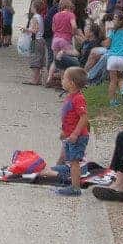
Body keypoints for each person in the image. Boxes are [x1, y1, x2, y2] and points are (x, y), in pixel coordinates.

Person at [55, 67, 90, 196]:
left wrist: (75, 133)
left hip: (78, 136)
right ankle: (71, 182)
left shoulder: (78, 98)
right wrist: (65, 132)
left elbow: (84, 117)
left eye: (64, 78)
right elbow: (69, 118)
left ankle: (75, 188)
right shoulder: (70, 97)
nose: (62, 80)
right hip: (70, 135)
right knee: (70, 160)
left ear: (72, 83)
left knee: (75, 162)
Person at [23, 0, 46, 85]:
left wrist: (25, 29)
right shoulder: (40, 17)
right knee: (39, 58)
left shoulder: (34, 18)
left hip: (35, 40)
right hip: (40, 40)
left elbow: (35, 30)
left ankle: (35, 79)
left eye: (32, 6)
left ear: (35, 8)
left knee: (35, 59)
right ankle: (38, 78)